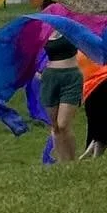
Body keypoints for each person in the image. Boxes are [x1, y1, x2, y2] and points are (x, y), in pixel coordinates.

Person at [38, 29, 83, 164]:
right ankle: (63, 164)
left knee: (63, 124)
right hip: (50, 78)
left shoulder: (70, 27)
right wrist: (35, 73)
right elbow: (27, 52)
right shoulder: (42, 30)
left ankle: (71, 160)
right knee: (55, 127)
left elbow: (89, 41)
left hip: (71, 77)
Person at [78, 53, 107, 159]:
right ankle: (94, 141)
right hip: (87, 74)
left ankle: (100, 142)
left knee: (101, 108)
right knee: (91, 111)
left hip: (102, 72)